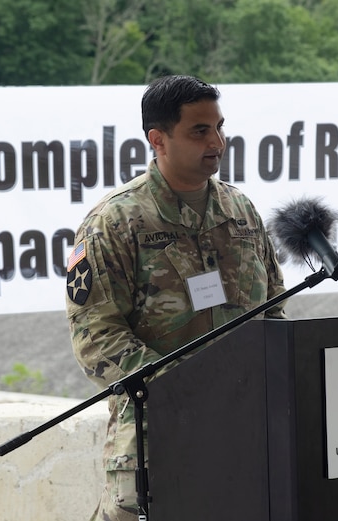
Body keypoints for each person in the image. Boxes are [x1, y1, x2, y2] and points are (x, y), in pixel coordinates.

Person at [65, 74, 287, 521]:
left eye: (220, 127)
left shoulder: (240, 211)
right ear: (158, 139)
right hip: (156, 437)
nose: (218, 142)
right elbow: (97, 338)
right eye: (200, 131)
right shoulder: (115, 222)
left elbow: (274, 306)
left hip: (245, 430)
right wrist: (187, 383)